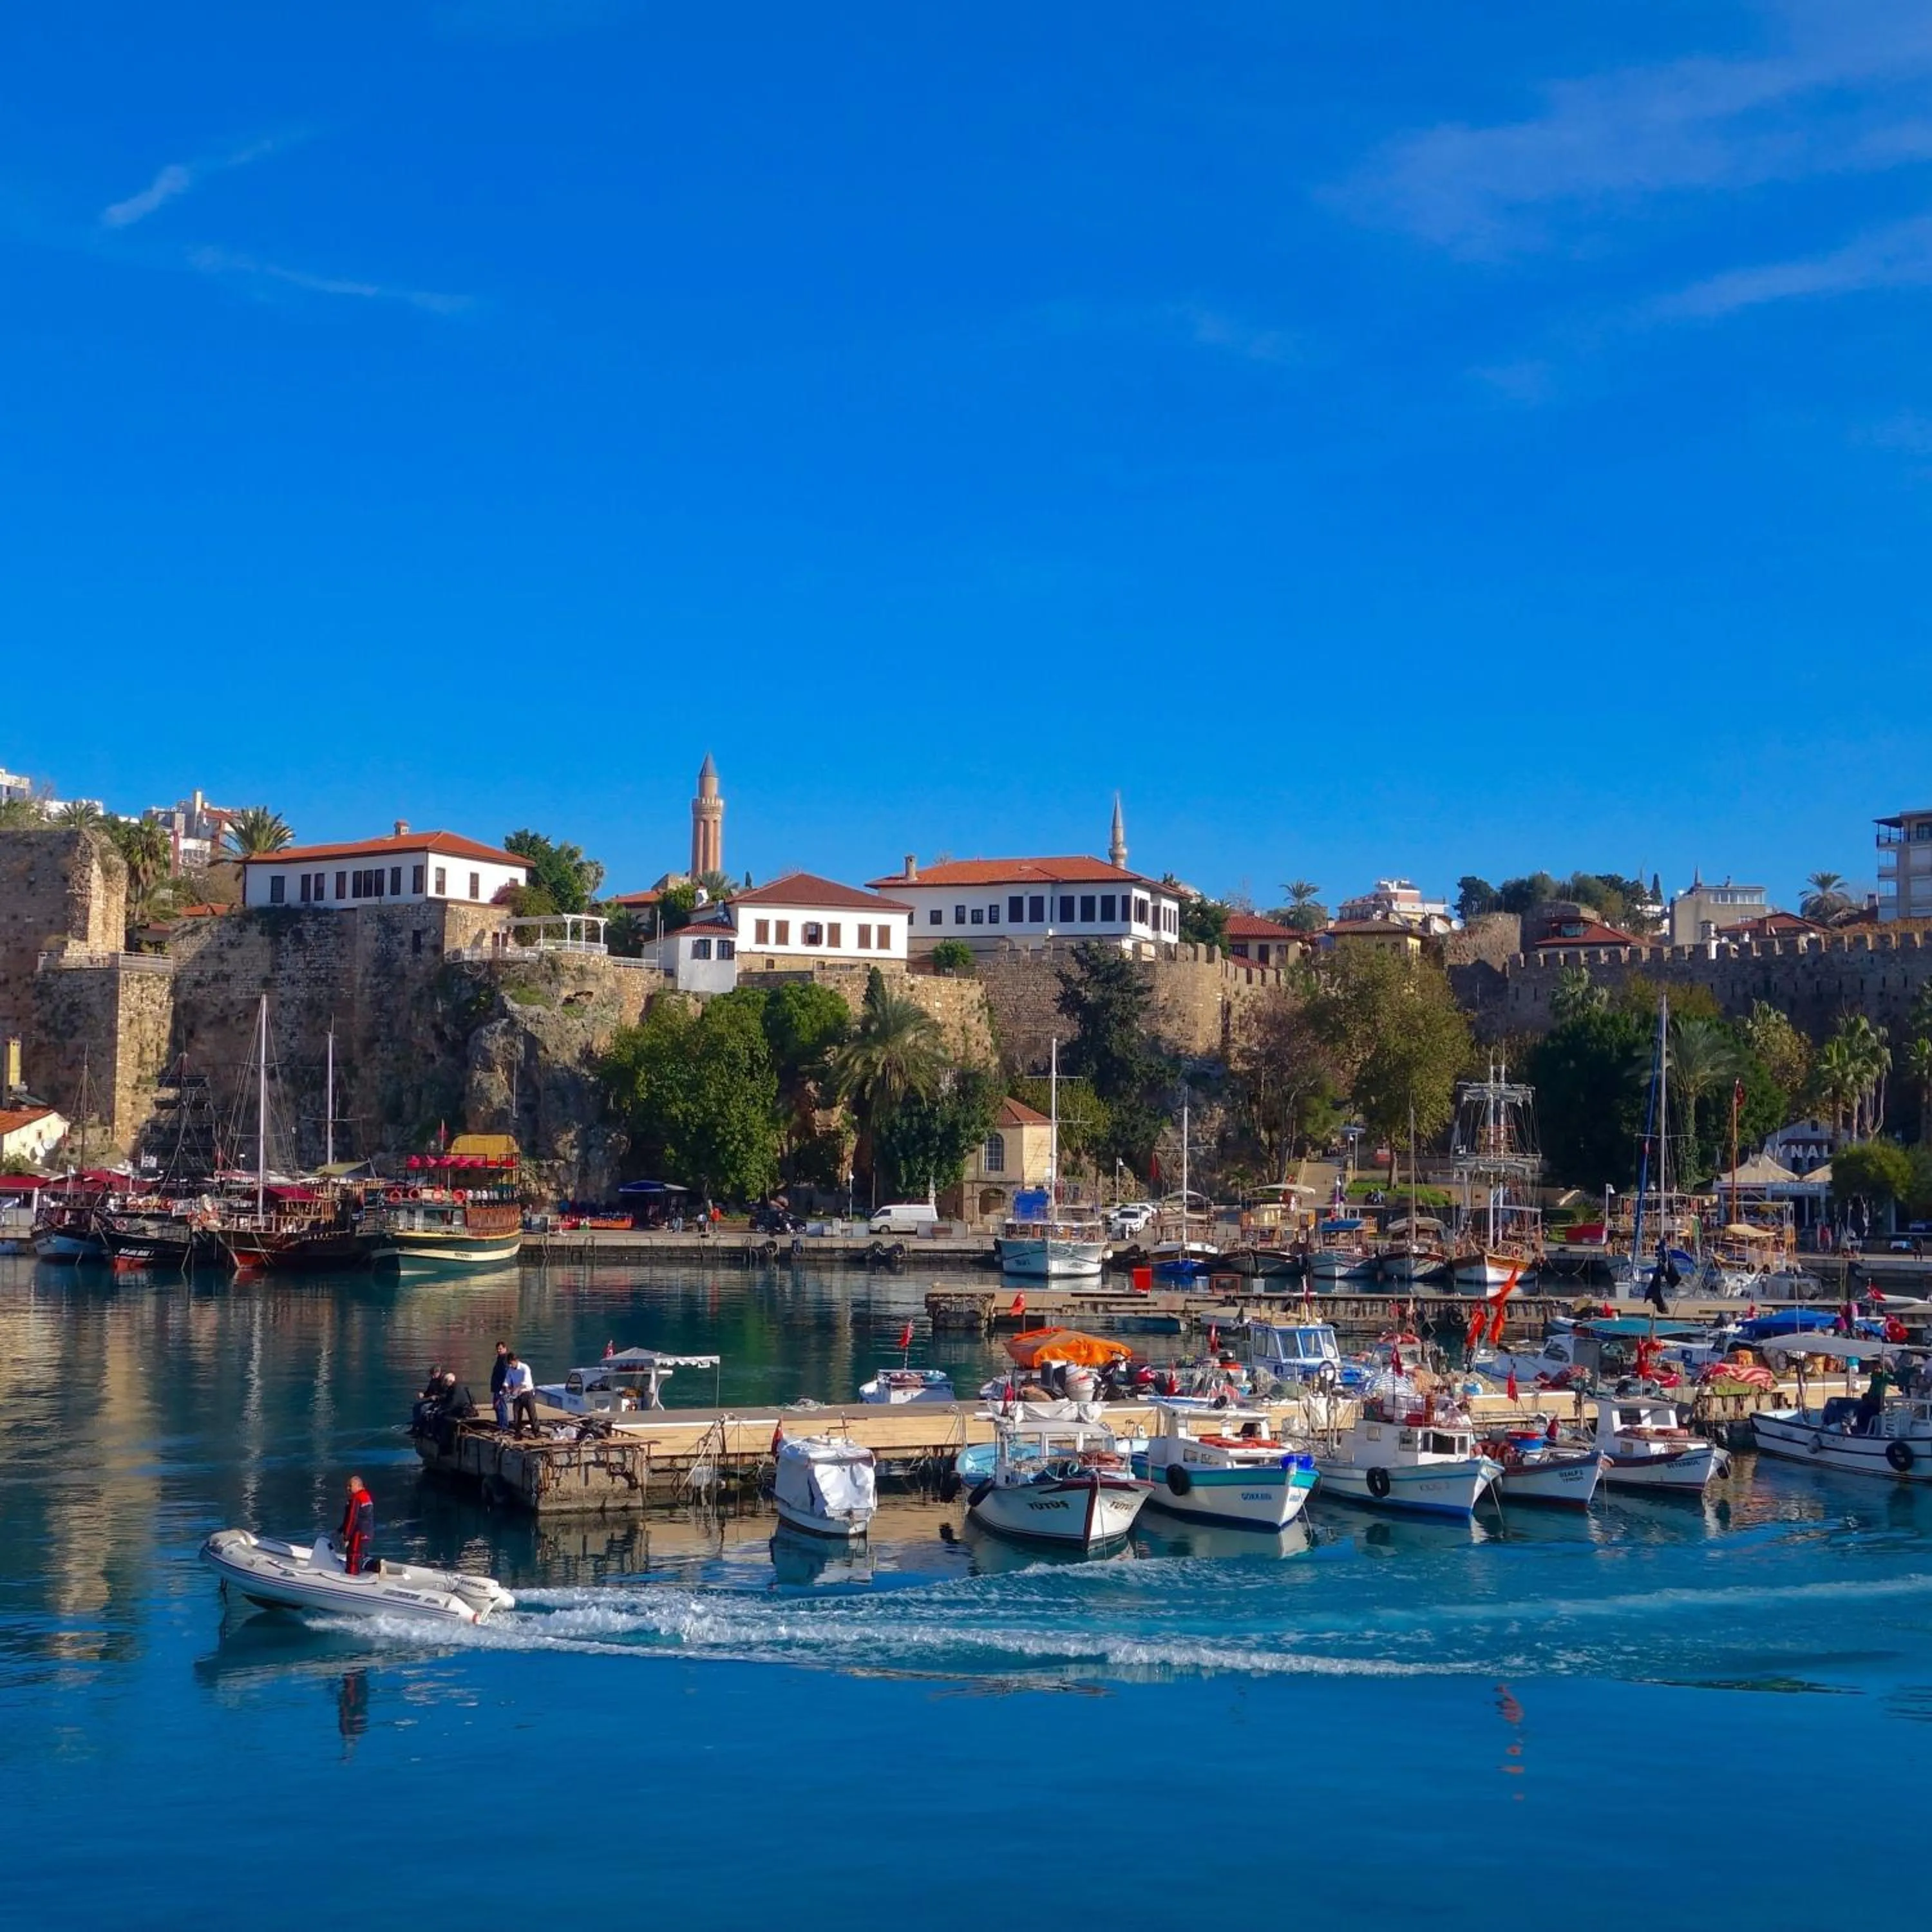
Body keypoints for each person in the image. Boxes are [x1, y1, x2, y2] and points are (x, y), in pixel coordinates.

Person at [339, 1475, 374, 1575]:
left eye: (350, 1486)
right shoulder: (367, 1497)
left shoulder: (356, 1498)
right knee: (362, 1556)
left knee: (353, 1558)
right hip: (368, 1533)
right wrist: (341, 1529)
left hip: (358, 1535)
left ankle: (352, 1577)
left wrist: (346, 1537)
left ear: (357, 1486)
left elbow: (352, 1519)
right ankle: (376, 1566)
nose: (348, 1489)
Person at [504, 1350, 538, 1436]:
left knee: (532, 1415)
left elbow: (525, 1383)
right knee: (516, 1415)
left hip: (527, 1394)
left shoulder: (525, 1368)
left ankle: (536, 1433)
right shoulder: (510, 1370)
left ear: (516, 1361)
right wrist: (507, 1387)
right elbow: (507, 1381)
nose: (510, 1365)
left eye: (511, 1363)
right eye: (509, 1364)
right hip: (517, 1396)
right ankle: (518, 1434)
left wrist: (516, 1389)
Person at [490, 1340, 511, 1430]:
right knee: (497, 1407)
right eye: (498, 1349)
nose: (499, 1350)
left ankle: (504, 1427)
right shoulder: (500, 1358)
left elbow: (505, 1373)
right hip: (496, 1387)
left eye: (500, 1349)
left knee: (501, 1407)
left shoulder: (504, 1359)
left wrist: (504, 1387)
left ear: (505, 1349)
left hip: (501, 1387)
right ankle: (500, 1425)